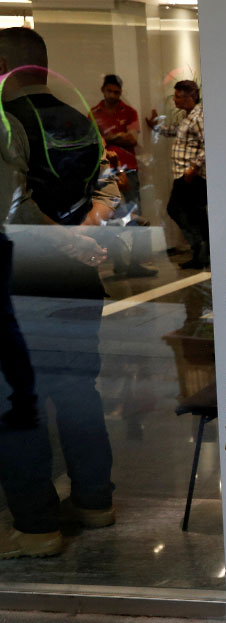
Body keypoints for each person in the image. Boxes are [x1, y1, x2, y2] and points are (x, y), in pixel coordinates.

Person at [0, 26, 119, 559]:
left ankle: (37, 528)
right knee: (77, 393)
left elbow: (13, 207)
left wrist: (62, 238)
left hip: (20, 282)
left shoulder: (7, 125)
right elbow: (111, 185)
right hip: (76, 282)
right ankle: (95, 503)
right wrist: (88, 236)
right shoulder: (80, 119)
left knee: (18, 404)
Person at [90, 73, 153, 277]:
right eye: (109, 91)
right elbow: (92, 142)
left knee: (136, 213)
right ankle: (118, 262)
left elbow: (132, 139)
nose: (113, 95)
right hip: (104, 171)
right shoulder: (93, 114)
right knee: (110, 214)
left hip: (129, 168)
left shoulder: (130, 112)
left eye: (116, 92)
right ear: (103, 90)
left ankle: (135, 263)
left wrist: (108, 137)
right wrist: (119, 136)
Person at [146, 80, 206, 269]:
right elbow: (174, 132)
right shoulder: (188, 117)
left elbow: (209, 143)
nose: (175, 100)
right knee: (195, 213)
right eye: (175, 96)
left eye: (179, 96)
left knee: (176, 209)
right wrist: (155, 126)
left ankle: (200, 247)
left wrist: (194, 168)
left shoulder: (198, 117)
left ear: (192, 96)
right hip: (184, 174)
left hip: (190, 175)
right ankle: (202, 252)